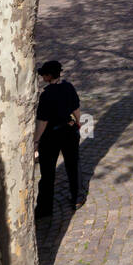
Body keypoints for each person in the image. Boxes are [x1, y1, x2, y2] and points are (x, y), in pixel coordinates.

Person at [33, 59, 82, 217]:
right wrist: (78, 122)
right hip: (69, 131)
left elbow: (43, 122)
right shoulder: (68, 87)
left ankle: (44, 208)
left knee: (47, 173)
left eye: (43, 75)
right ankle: (77, 198)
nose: (42, 78)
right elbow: (76, 109)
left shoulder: (46, 95)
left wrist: (36, 141)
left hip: (51, 136)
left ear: (48, 76)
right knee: (72, 166)